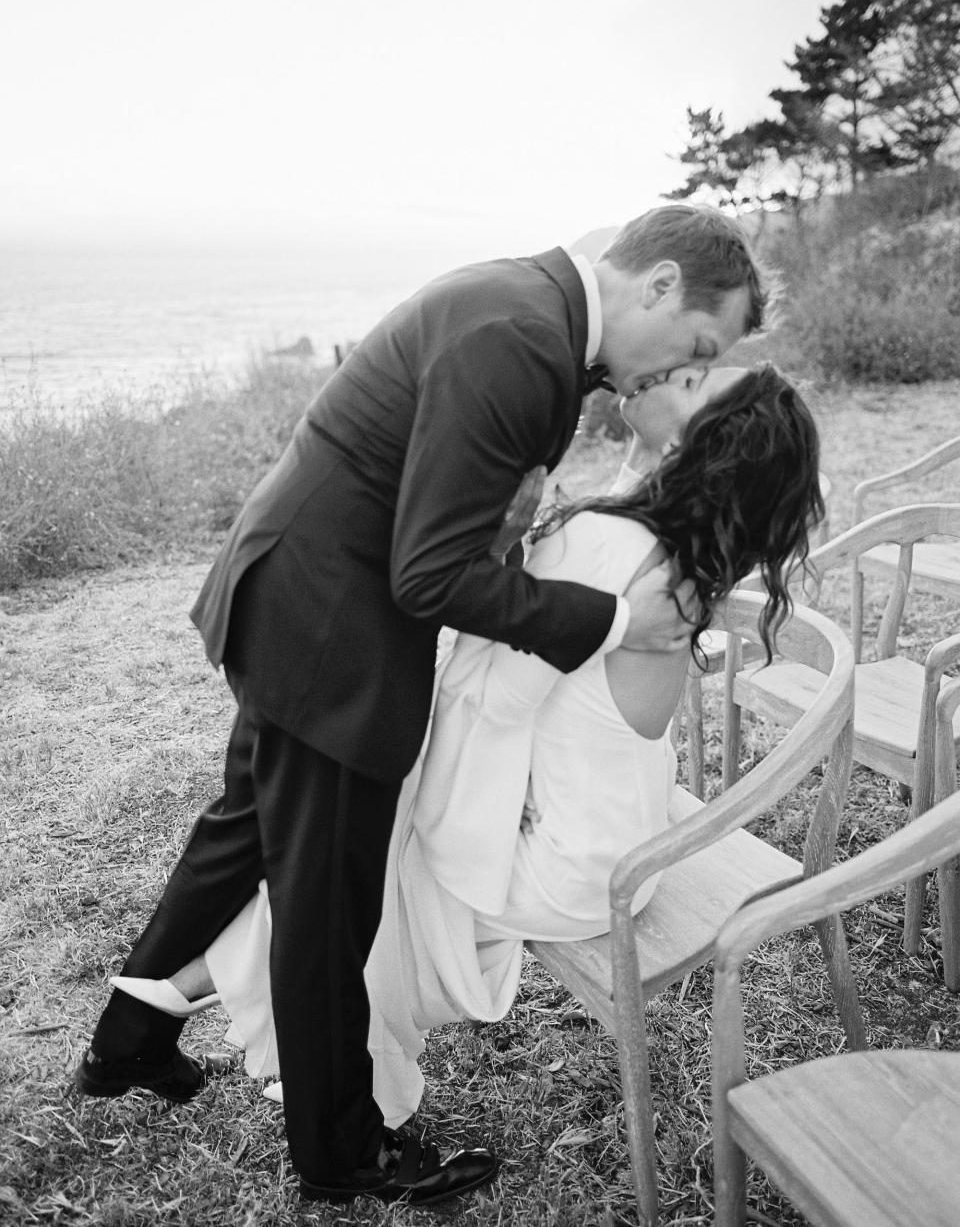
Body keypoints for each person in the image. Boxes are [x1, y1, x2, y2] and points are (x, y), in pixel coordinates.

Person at [73, 204, 766, 1208]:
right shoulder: (524, 338)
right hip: (328, 632)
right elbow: (431, 573)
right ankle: (342, 1148)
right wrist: (615, 622)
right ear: (658, 284)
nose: (674, 372)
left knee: (245, 829)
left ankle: (128, 1038)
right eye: (696, 348)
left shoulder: (530, 314)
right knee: (329, 902)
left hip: (295, 593)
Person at [109, 362, 823, 1137]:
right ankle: (185, 1002)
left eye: (699, 379)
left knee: (358, 863)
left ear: (698, 443)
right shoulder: (678, 552)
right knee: (361, 852)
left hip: (572, 866)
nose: (679, 367)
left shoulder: (608, 545)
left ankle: (201, 1003)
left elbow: (495, 693)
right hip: (624, 844)